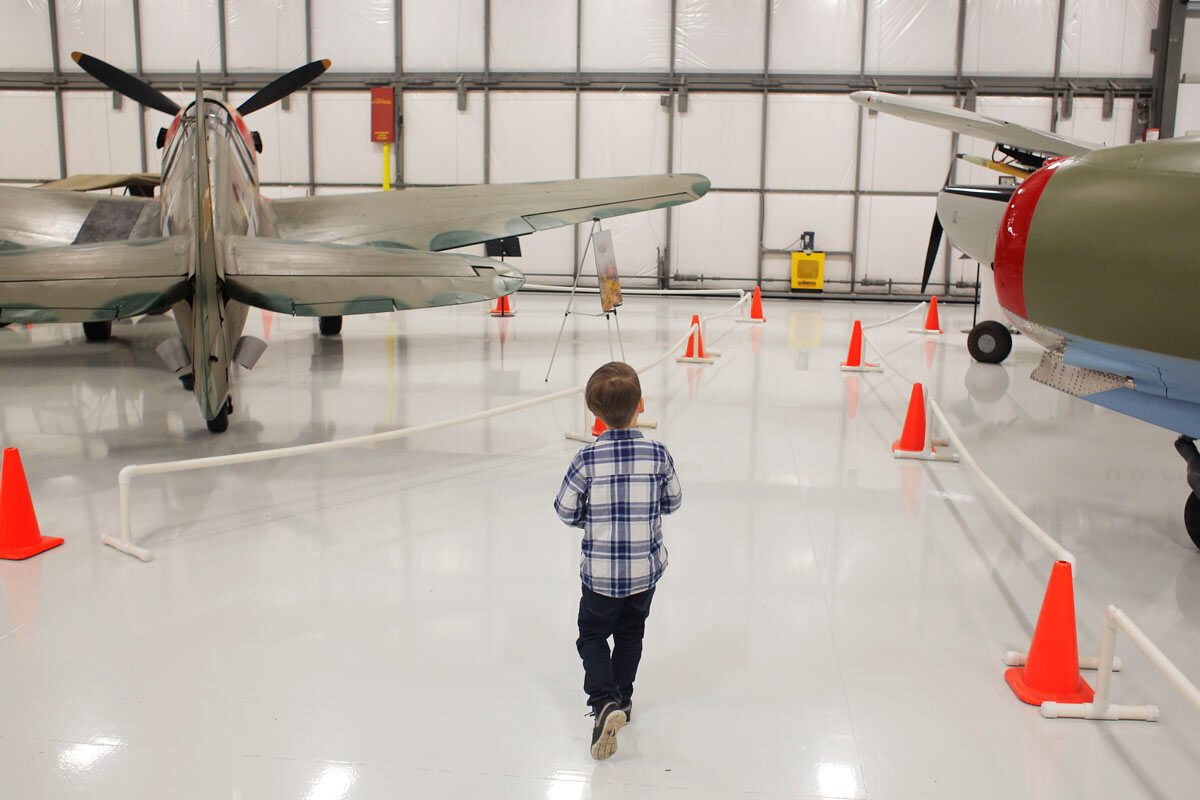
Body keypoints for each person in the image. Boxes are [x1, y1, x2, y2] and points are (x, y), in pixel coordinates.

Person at [553, 361, 683, 760]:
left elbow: (565, 509)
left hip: (600, 576)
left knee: (592, 636)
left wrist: (591, 520)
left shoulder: (586, 459)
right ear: (640, 405)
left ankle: (603, 701)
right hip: (644, 572)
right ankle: (623, 701)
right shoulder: (658, 452)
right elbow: (674, 501)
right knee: (631, 634)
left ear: (595, 415)